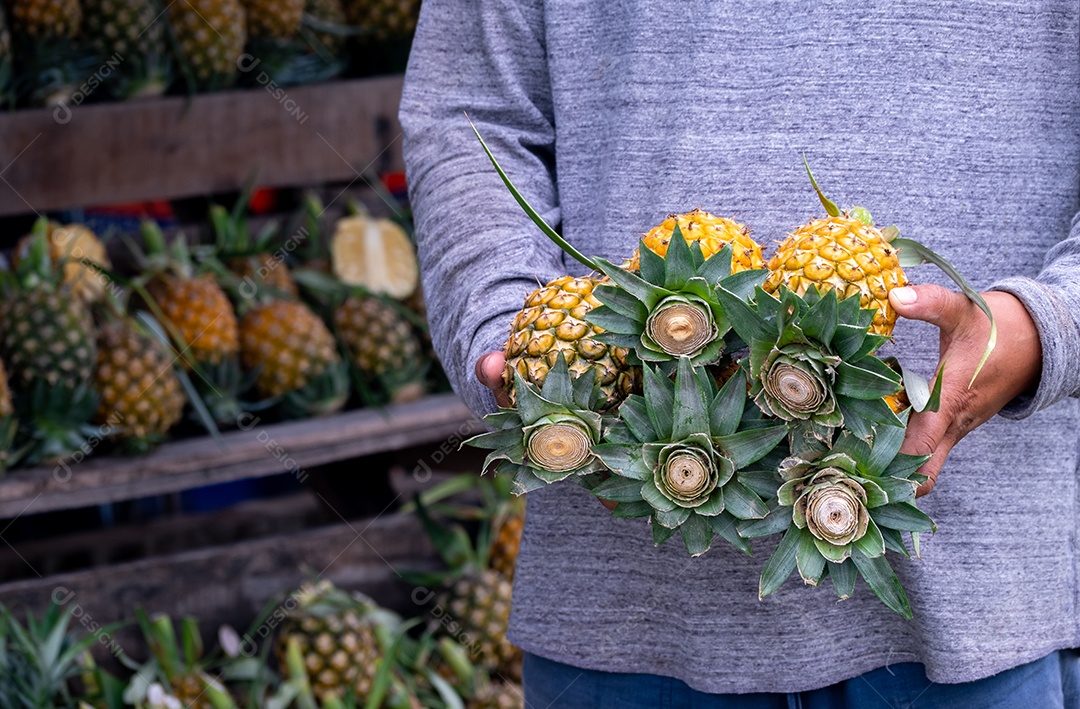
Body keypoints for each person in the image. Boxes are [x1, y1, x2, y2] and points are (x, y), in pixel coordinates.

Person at [399, 2, 1080, 706]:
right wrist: (515, 323)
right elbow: (469, 111)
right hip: (626, 616)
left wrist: (1044, 328)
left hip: (982, 610)